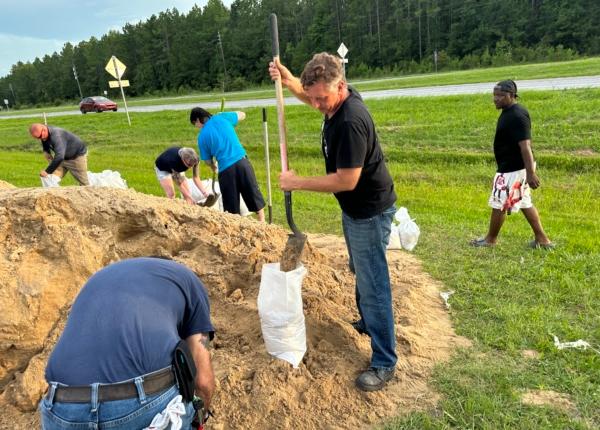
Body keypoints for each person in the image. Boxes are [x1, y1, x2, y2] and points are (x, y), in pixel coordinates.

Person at [269, 53, 397, 391]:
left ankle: (385, 362)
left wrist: (297, 182)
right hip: (356, 211)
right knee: (361, 269)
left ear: (340, 86)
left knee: (374, 286)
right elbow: (310, 93)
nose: (315, 105)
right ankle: (369, 320)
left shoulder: (350, 122)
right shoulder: (334, 99)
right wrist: (288, 79)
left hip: (368, 210)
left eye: (321, 98)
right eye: (311, 96)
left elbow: (346, 180)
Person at [39, 257, 216, 429]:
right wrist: (198, 418)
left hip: (62, 406)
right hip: (139, 406)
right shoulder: (187, 279)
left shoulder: (101, 277)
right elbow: (203, 382)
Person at [470, 80, 554, 249]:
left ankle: (490, 239)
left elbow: (525, 146)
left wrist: (530, 173)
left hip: (513, 170)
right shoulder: (509, 111)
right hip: (514, 168)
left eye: (500, 96)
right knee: (524, 202)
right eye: (494, 95)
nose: (495, 99)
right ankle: (542, 240)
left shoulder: (517, 115)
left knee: (499, 203)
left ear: (511, 95)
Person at [190, 107, 266, 221]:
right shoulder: (223, 117)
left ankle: (234, 228)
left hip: (226, 170)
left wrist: (213, 166)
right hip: (242, 163)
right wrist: (226, 114)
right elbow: (242, 114)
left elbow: (207, 160)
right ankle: (262, 222)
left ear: (197, 120)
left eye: (194, 124)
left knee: (231, 204)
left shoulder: (202, 137)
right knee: (253, 193)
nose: (196, 127)